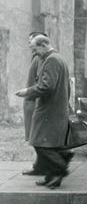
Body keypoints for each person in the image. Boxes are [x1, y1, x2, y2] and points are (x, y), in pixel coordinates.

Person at [15, 35, 72, 189]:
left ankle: (61, 167)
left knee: (40, 144)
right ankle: (51, 176)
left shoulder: (51, 60)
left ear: (43, 45)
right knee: (49, 145)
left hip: (49, 111)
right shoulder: (58, 58)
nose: (35, 54)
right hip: (55, 109)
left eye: (35, 50)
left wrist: (27, 91)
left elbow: (47, 86)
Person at [22, 32, 48, 176]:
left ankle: (41, 167)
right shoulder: (37, 57)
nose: (29, 45)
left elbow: (41, 83)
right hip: (30, 101)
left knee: (38, 136)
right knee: (34, 136)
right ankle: (40, 165)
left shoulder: (42, 59)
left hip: (35, 101)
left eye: (31, 41)